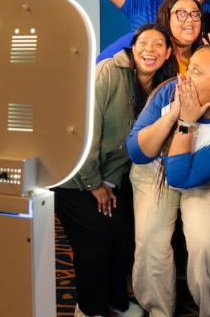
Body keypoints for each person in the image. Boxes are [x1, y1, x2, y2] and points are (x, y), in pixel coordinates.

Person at [54, 24, 177, 317]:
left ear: (168, 52)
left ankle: (115, 302)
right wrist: (95, 182)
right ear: (133, 48)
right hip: (75, 175)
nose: (150, 50)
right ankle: (88, 308)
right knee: (95, 239)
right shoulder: (109, 72)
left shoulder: (162, 87)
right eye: (143, 43)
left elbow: (134, 145)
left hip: (108, 179)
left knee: (121, 235)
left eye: (158, 45)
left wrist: (108, 183)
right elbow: (84, 128)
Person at [126, 44, 210, 317]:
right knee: (150, 241)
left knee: (204, 243)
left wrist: (187, 124)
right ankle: (157, 311)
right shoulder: (167, 91)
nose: (184, 76)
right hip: (154, 169)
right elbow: (136, 151)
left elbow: (181, 178)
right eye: (187, 66)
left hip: (204, 178)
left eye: (196, 71)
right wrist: (173, 115)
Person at [155, 0, 204, 74]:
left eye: (195, 14)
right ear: (167, 19)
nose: (189, 20)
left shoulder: (205, 59)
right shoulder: (157, 57)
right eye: (182, 14)